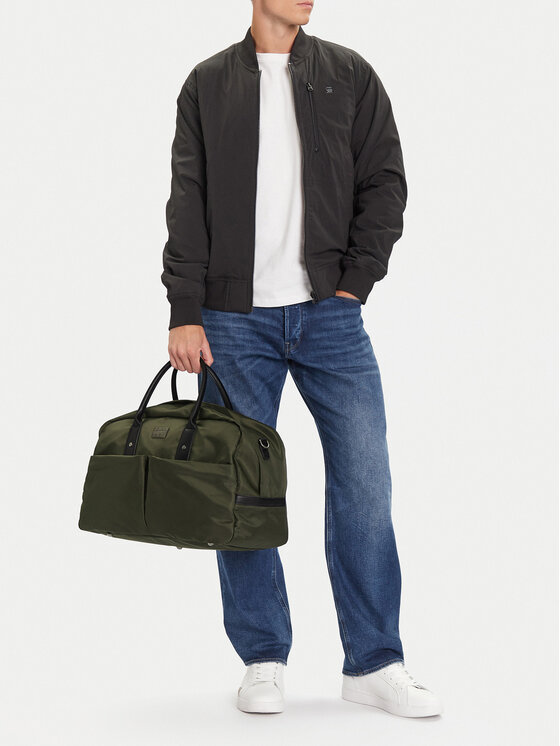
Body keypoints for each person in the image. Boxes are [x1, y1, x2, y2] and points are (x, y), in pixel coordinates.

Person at [161, 0, 443, 719]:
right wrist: (185, 309)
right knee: (239, 493)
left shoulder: (350, 74)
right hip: (232, 320)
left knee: (365, 484)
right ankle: (262, 656)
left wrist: (355, 281)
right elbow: (187, 200)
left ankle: (374, 661)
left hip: (330, 317)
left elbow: (385, 181)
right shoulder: (208, 84)